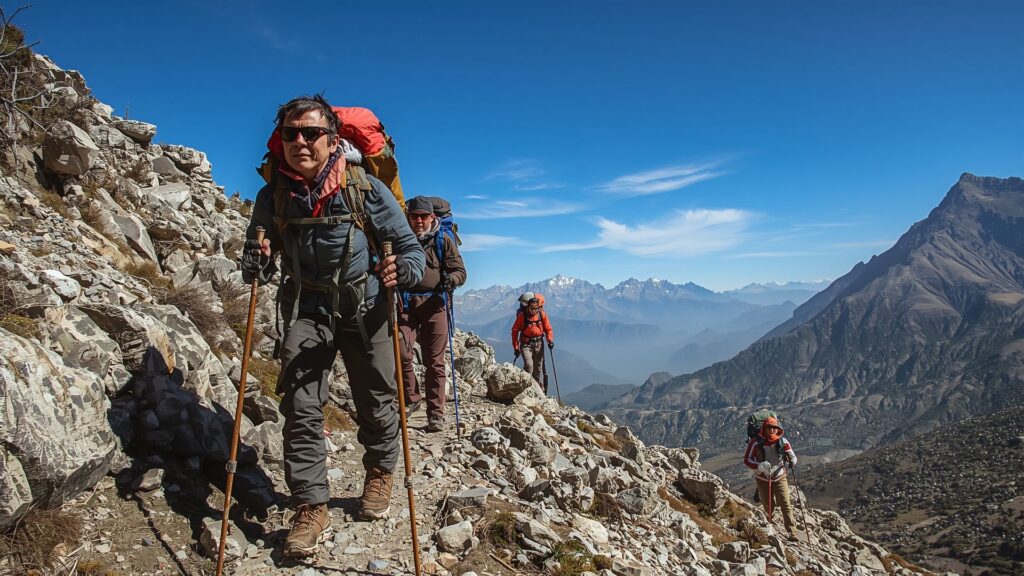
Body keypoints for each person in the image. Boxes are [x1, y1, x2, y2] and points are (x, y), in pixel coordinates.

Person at [240, 94, 425, 558]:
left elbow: (410, 249)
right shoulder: (272, 195)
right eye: (290, 134)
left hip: (366, 307)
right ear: (280, 140)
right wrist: (256, 260)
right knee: (301, 406)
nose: (300, 141)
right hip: (306, 309)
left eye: (311, 133)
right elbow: (254, 264)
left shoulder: (364, 188)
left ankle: (380, 472)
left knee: (378, 397)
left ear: (332, 138)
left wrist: (400, 270)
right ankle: (310, 503)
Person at [398, 195, 467, 432]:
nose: (419, 220)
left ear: (432, 217)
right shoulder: (399, 239)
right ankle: (412, 398)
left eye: (423, 216)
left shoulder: (443, 240)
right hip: (404, 304)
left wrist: (452, 280)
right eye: (414, 216)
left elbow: (459, 270)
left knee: (434, 361)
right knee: (401, 353)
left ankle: (436, 414)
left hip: (435, 304)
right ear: (408, 217)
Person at [743, 416, 799, 539]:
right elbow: (747, 459)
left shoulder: (782, 441)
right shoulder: (755, 442)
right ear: (764, 428)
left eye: (775, 427)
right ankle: (770, 528)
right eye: (769, 427)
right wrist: (759, 466)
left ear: (778, 428)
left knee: (785, 504)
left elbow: (792, 456)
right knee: (769, 506)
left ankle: (792, 532)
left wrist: (792, 461)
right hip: (763, 478)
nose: (772, 430)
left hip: (779, 476)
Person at [511, 297, 554, 390]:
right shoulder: (522, 316)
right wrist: (516, 347)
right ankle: (525, 387)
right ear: (528, 307)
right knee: (529, 365)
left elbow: (548, 329)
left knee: (538, 368)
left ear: (539, 307)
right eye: (532, 308)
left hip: (539, 343)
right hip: (526, 344)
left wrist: (550, 340)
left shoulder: (542, 314)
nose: (534, 310)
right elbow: (514, 331)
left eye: (536, 308)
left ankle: (536, 388)